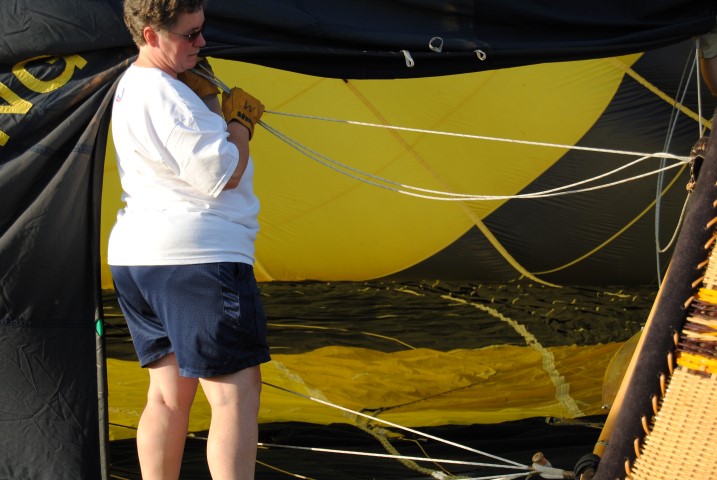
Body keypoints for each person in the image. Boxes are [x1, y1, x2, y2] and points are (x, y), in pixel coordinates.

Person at [108, 0, 270, 478]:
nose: (202, 43)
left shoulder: (132, 86)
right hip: (196, 257)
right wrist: (241, 124)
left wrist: (207, 104)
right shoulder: (165, 93)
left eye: (202, 31)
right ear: (151, 35)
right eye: (189, 34)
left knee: (167, 396)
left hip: (138, 257)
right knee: (236, 394)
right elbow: (221, 173)